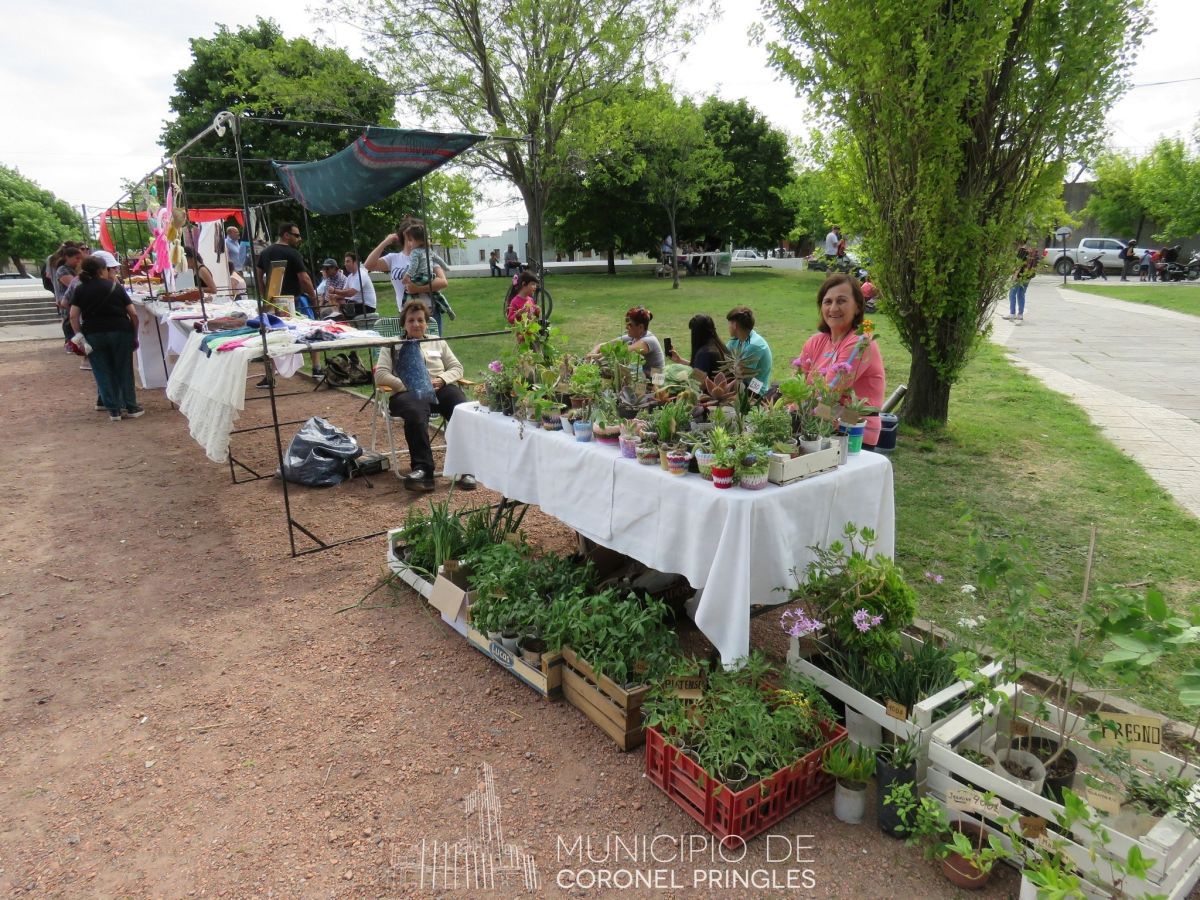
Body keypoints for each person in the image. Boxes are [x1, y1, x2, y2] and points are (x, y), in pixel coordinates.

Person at [372, 300, 474, 492]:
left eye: (420, 320)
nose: (416, 324)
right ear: (404, 323)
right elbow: (381, 374)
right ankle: (423, 471)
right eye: (411, 320)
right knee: (416, 414)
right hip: (408, 393)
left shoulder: (437, 341)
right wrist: (406, 385)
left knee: (461, 409)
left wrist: (443, 379)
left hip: (439, 388)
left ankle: (466, 469)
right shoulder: (392, 345)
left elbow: (457, 367)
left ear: (426, 323)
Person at [796, 274, 886, 448]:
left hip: (854, 427)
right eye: (827, 302)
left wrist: (798, 404)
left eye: (841, 301)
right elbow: (797, 383)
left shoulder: (860, 341)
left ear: (858, 307)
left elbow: (827, 394)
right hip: (818, 420)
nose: (833, 308)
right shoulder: (816, 341)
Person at [69, 254, 143, 422]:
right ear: (102, 270)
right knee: (124, 369)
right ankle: (131, 406)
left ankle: (113, 410)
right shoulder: (115, 287)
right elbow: (133, 314)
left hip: (93, 333)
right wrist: (134, 335)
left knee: (102, 371)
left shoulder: (80, 289)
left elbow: (73, 316)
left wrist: (79, 335)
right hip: (120, 331)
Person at [365, 219, 449, 328]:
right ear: (405, 236)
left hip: (428, 313)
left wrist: (418, 289)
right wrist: (385, 242)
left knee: (431, 345)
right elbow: (368, 265)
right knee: (411, 345)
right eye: (413, 236)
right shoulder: (393, 258)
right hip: (406, 314)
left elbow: (443, 281)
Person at [255, 222, 316, 319]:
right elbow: (304, 279)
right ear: (286, 235)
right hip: (292, 303)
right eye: (296, 236)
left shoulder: (265, 253)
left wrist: (265, 298)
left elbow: (258, 277)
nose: (299, 239)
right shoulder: (293, 253)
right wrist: (314, 298)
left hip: (272, 303)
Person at [588, 306, 664, 377]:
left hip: (655, 380)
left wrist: (598, 356)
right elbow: (604, 345)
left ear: (640, 327)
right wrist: (593, 353)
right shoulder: (633, 337)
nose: (626, 327)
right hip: (640, 378)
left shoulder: (648, 341)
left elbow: (621, 352)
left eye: (630, 325)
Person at [667, 313, 732, 396]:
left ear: (697, 333)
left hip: (709, 397)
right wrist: (679, 360)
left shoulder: (705, 353)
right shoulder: (717, 345)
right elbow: (702, 369)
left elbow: (698, 385)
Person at [725, 306, 773, 390]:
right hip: (742, 385)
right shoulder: (736, 340)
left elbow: (740, 375)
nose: (728, 327)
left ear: (734, 325)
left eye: (729, 323)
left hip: (756, 392)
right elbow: (723, 358)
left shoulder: (754, 345)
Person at [340, 252, 377, 319]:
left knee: (340, 314)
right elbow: (344, 292)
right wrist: (334, 296)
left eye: (348, 261)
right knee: (339, 307)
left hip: (367, 307)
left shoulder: (361, 275)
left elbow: (350, 293)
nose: (345, 264)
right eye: (345, 262)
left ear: (355, 262)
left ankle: (346, 327)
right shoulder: (350, 277)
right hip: (356, 305)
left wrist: (334, 291)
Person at [1003, 254, 1037, 323]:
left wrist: (1015, 276)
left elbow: (1018, 265)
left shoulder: (1022, 250)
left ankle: (1012, 314)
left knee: (1012, 294)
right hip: (1028, 277)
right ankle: (1020, 314)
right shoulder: (1033, 252)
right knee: (1021, 294)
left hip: (1019, 276)